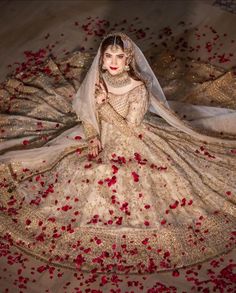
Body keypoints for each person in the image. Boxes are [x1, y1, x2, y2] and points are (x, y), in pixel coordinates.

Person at [0, 32, 235, 274]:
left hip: (134, 139)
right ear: (101, 59)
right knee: (69, 166)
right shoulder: (97, 78)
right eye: (108, 56)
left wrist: (104, 104)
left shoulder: (138, 88)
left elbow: (130, 129)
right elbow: (87, 114)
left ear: (128, 60)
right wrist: (92, 137)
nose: (113, 62)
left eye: (119, 57)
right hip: (102, 134)